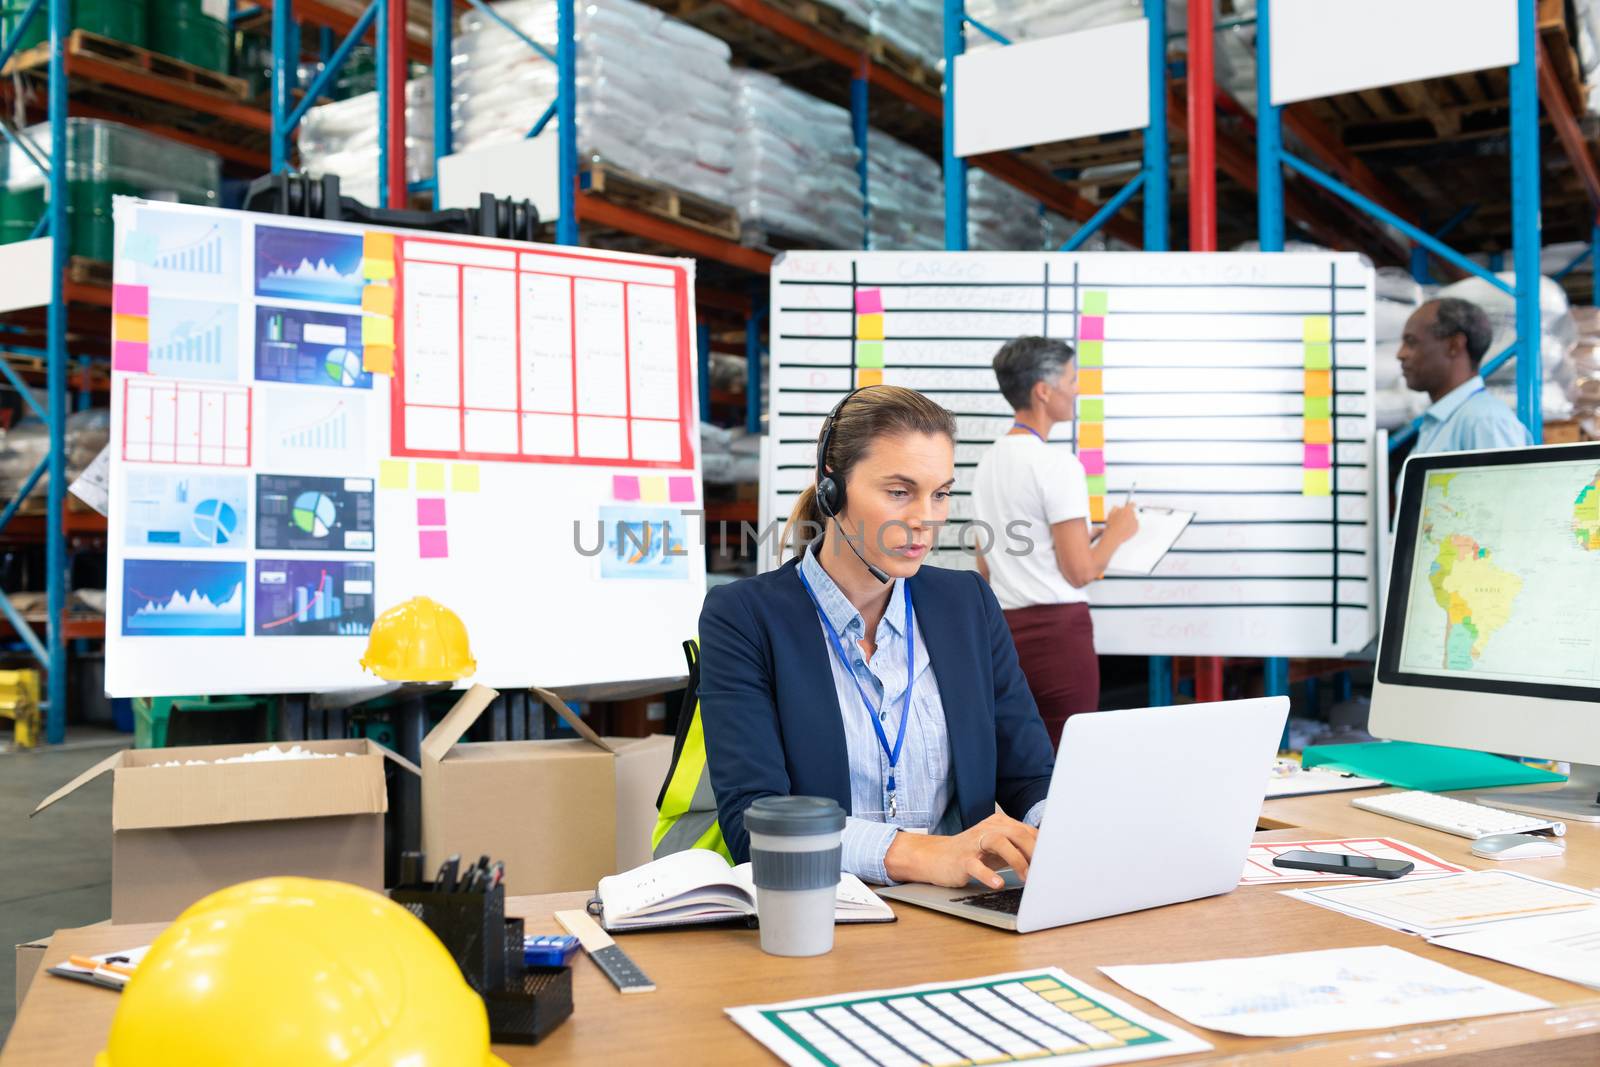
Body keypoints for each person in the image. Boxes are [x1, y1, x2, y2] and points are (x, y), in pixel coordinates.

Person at [697, 385, 1055, 890]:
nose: (925, 520)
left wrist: (1058, 829)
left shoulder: (967, 604)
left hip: (962, 912)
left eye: (941, 493)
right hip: (823, 911)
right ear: (832, 489)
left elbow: (1029, 776)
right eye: (899, 492)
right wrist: (921, 854)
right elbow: (754, 825)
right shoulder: (745, 618)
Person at [971, 336, 1137, 748]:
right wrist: (1117, 532)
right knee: (1067, 762)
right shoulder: (1057, 464)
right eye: (1071, 378)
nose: (1077, 388)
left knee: (1019, 760)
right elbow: (1080, 571)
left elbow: (987, 565)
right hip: (1059, 638)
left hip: (1006, 635)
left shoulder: (987, 462)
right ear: (1043, 391)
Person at [1399, 297, 1534, 454]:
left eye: (1411, 342)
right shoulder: (1442, 422)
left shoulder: (1485, 421)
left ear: (1454, 345)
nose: (1400, 354)